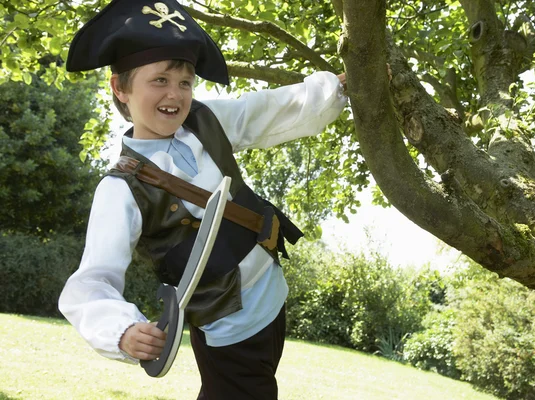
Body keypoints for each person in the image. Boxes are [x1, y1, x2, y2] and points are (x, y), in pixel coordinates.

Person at [58, 0, 347, 399]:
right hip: (227, 323)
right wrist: (121, 330)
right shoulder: (120, 188)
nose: (175, 94)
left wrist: (338, 87)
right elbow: (92, 281)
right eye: (159, 80)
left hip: (272, 293)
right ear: (120, 88)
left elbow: (265, 110)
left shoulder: (205, 119)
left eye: (185, 82)